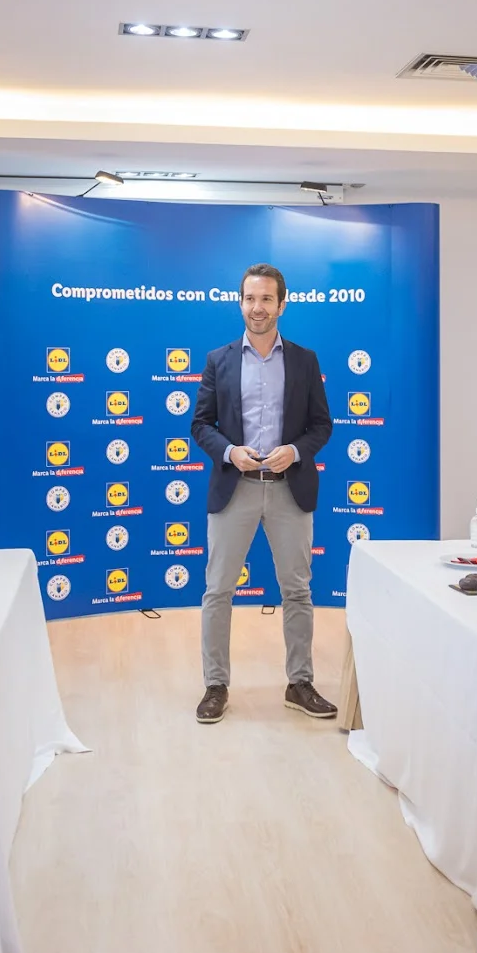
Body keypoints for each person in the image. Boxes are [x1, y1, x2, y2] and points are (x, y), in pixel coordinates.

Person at [189, 264, 335, 724]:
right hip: (235, 490)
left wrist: (296, 450)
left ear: (281, 305)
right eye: (250, 298)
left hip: (291, 491)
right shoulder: (218, 360)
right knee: (218, 591)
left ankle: (299, 683)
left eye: (267, 299)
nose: (258, 307)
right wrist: (230, 452)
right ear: (241, 303)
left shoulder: (305, 361)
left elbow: (322, 425)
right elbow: (200, 425)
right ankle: (216, 685)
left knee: (298, 591)